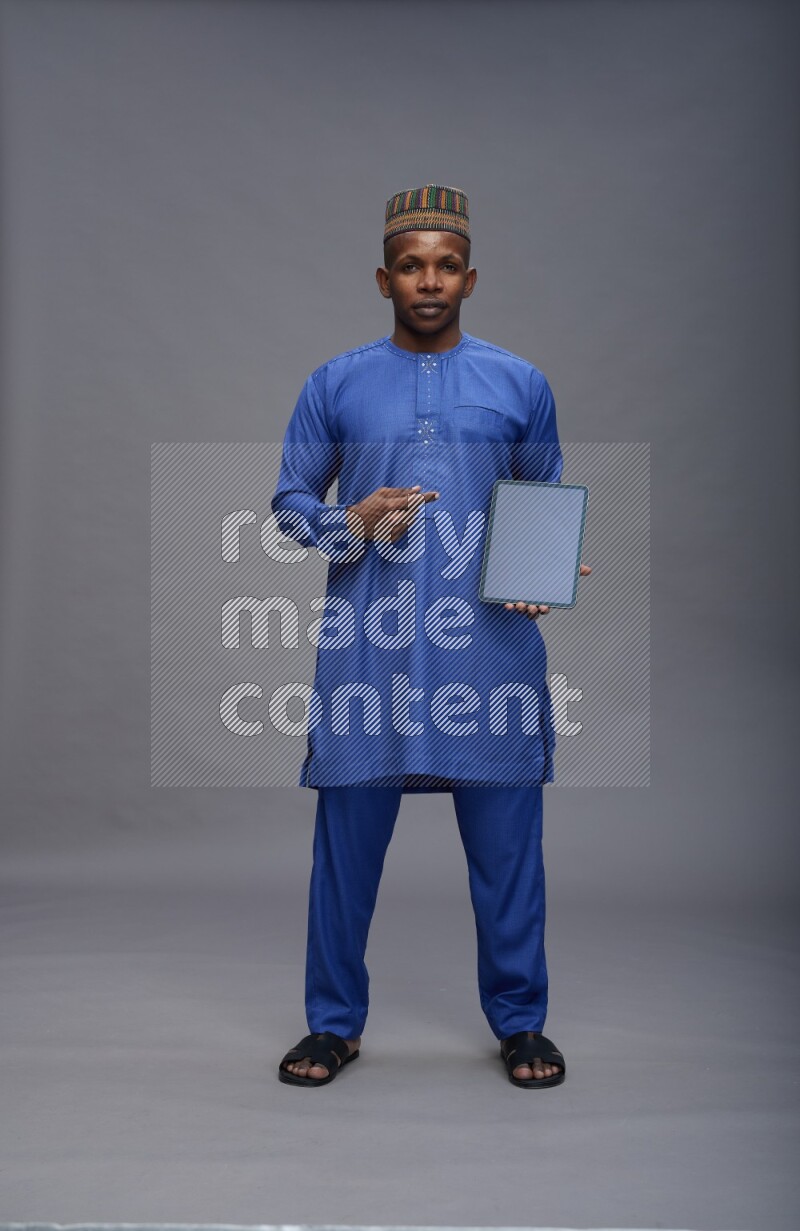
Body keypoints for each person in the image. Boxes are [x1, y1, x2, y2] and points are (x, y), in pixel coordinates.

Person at [271, 184, 590, 1088]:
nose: (429, 280)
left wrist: (543, 572)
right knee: (345, 849)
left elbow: (541, 494)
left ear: (471, 277)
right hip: (369, 648)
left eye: (446, 265)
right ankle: (333, 1024)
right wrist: (353, 522)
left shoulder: (519, 382)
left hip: (486, 653)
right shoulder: (333, 383)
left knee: (507, 851)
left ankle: (522, 1023)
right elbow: (289, 506)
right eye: (411, 264)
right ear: (384, 277)